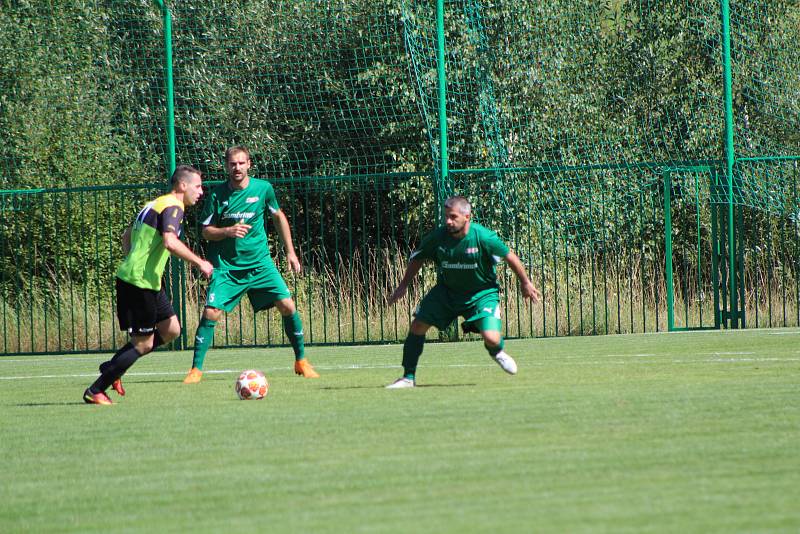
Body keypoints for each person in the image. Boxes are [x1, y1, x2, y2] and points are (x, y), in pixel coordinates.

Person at [183, 145, 319, 383]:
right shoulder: (216, 195)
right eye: (232, 164)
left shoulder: (263, 189)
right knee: (211, 312)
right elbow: (205, 232)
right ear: (226, 166)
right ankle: (195, 370)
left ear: (249, 164)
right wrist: (227, 231)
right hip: (227, 268)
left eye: (241, 163)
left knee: (287, 305)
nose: (237, 167)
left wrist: (291, 252)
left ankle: (301, 361)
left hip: (260, 264)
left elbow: (278, 216)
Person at [83, 165, 214, 404]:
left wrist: (133, 260)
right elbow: (170, 242)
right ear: (182, 185)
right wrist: (200, 263)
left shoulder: (154, 204)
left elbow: (126, 236)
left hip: (147, 281)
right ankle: (96, 389)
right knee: (143, 344)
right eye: (197, 186)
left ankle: (113, 367)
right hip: (138, 282)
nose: (201, 192)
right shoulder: (174, 206)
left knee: (171, 329)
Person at [386, 195, 541, 388]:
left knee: (492, 338)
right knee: (417, 326)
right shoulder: (437, 237)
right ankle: (408, 378)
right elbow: (418, 258)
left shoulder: (483, 237)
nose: (448, 221)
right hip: (447, 292)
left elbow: (510, 257)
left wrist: (525, 283)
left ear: (467, 216)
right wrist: (403, 286)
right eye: (446, 217)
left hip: (482, 294)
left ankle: (496, 352)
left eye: (453, 217)